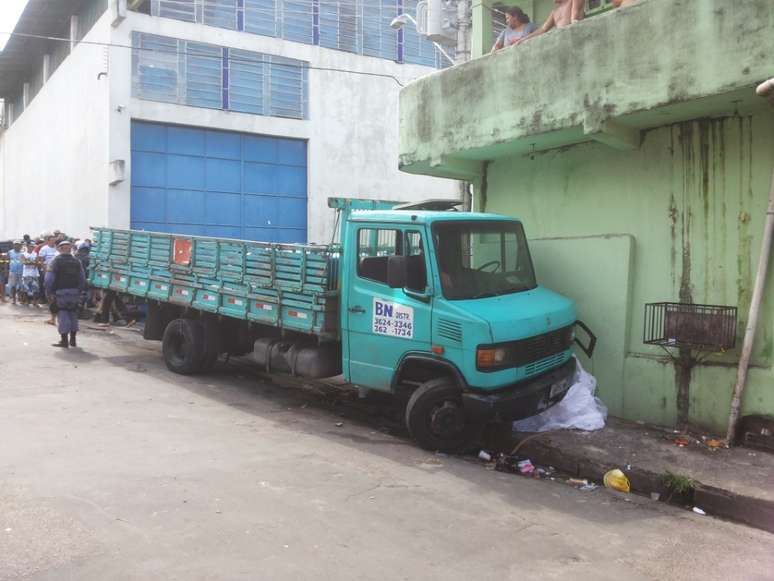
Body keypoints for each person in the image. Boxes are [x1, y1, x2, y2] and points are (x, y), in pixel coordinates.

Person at [45, 240, 86, 348]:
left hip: (60, 293)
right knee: (73, 314)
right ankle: (73, 340)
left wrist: (49, 292)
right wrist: (79, 291)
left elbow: (49, 279)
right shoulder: (77, 262)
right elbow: (82, 279)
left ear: (59, 249)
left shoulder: (55, 261)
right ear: (70, 248)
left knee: (63, 315)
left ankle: (64, 341)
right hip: (74, 293)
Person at [516, 0, 580, 44]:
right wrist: (523, 39)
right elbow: (542, 29)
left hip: (574, 38)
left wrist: (574, 20)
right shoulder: (554, 12)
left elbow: (574, 19)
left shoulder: (573, 1)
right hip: (561, 41)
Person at [7, 240, 24, 305]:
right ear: (13, 245)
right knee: (13, 286)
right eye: (16, 244)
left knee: (21, 286)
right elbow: (7, 261)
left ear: (20, 246)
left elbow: (24, 261)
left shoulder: (23, 253)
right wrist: (6, 270)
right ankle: (14, 299)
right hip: (13, 271)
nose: (17, 246)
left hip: (21, 271)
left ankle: (21, 299)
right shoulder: (10, 252)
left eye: (18, 244)